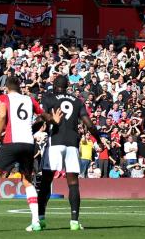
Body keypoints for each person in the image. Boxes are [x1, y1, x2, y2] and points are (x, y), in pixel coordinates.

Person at [0, 76, 55, 233]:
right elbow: (43, 115)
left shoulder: (3, 98)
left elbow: (2, 115)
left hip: (11, 142)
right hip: (28, 144)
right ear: (20, 87)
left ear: (6, 87)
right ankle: (35, 221)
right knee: (27, 181)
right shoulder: (29, 99)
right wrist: (54, 119)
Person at [37, 75, 103, 231]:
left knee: (46, 181)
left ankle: (40, 219)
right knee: (73, 183)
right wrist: (98, 140)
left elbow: (42, 118)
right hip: (72, 144)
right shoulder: (77, 101)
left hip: (55, 142)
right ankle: (74, 221)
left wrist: (31, 130)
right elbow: (89, 124)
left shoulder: (49, 98)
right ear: (67, 86)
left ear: (54, 85)